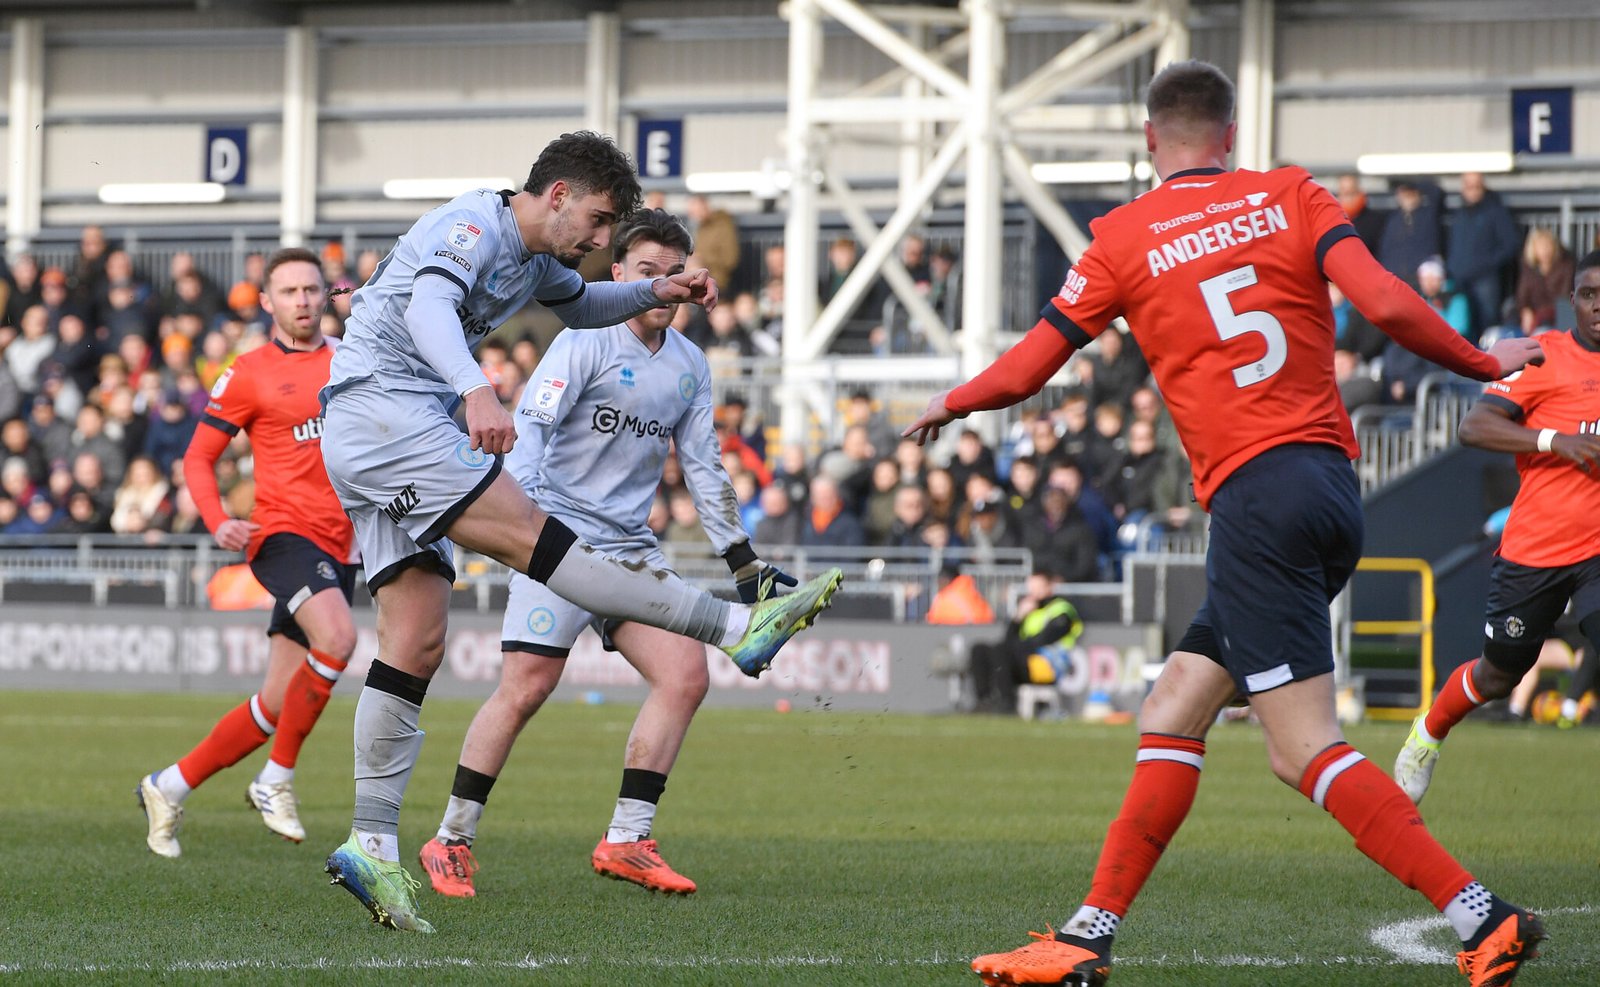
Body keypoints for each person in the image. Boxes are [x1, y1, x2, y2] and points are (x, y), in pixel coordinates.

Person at [903, 60, 1547, 987]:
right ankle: (1086, 940)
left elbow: (1028, 369)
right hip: (1328, 486)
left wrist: (952, 403)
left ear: (1150, 141)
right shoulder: (1291, 192)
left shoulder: (1123, 236)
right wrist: (1485, 359)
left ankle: (1481, 915)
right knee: (1174, 704)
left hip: (1253, 499)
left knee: (1301, 749)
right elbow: (1388, 302)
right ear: (1234, 135)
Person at [315, 131, 842, 934]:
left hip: (379, 420)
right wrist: (473, 388)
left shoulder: (536, 262)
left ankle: (371, 841)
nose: (601, 242)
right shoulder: (475, 225)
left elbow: (591, 302)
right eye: (597, 222)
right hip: (390, 411)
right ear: (556, 193)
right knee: (541, 544)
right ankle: (741, 624)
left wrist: (661, 289)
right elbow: (426, 304)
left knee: (415, 637)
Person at [415, 208, 795, 900]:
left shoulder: (689, 367)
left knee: (686, 675)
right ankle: (450, 838)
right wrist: (522, 533)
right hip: (556, 539)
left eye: (672, 272)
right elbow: (528, 434)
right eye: (644, 271)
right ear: (619, 276)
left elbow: (705, 469)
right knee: (526, 687)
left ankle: (627, 837)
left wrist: (744, 565)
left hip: (626, 549)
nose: (659, 284)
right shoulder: (583, 341)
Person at [135, 248, 359, 858]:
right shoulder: (249, 371)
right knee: (338, 640)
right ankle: (276, 780)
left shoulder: (350, 360)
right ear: (267, 302)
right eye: (288, 292)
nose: (303, 301)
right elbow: (197, 457)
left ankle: (168, 785)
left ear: (325, 294)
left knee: (276, 701)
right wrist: (217, 520)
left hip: (341, 543)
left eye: (312, 289)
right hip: (282, 535)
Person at [1395, 251, 1600, 805]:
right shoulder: (1544, 358)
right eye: (1588, 294)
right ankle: (1428, 733)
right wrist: (1554, 441)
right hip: (1536, 548)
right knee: (1498, 675)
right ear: (1572, 300)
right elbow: (1473, 425)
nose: (1598, 305)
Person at [1446, 172, 1521, 340]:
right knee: (1462, 330)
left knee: (1487, 330)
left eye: (1476, 186)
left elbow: (1510, 244)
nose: (1472, 190)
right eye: (1468, 186)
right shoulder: (1459, 214)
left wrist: (1487, 264)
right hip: (1460, 281)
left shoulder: (1495, 212)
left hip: (1485, 282)